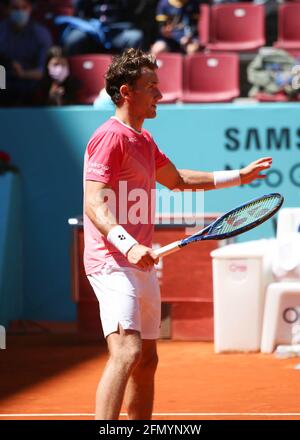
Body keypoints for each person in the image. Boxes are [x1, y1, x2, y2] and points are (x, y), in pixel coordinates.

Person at [83, 48, 272, 420]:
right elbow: (94, 202)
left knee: (147, 360)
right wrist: (128, 244)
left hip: (140, 262)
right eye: (151, 86)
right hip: (111, 262)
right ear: (126, 92)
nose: (160, 94)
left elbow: (180, 180)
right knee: (127, 352)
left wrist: (239, 176)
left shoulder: (144, 140)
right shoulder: (109, 137)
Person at [0, 0, 52, 106]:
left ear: (30, 8)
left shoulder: (41, 34)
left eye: (24, 7)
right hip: (4, 81)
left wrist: (22, 74)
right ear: (6, 10)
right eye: (15, 8)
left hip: (31, 84)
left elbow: (42, 72)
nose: (20, 12)